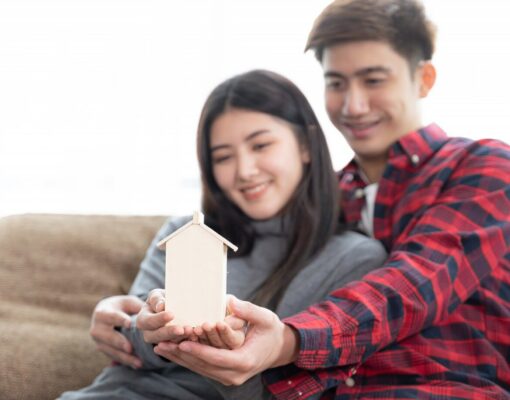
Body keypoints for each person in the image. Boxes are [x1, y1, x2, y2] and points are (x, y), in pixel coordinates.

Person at [153, 1, 510, 398]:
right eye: (336, 82)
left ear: (423, 79)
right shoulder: (323, 202)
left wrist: (287, 340)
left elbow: (414, 286)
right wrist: (125, 313)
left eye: (373, 80)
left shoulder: (483, 167)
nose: (353, 105)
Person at [58, 69, 386, 399]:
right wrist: (148, 330)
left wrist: (232, 353)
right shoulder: (184, 233)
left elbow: (296, 385)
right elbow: (130, 348)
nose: (244, 170)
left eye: (261, 145)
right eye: (224, 157)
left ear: (305, 146)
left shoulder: (355, 259)